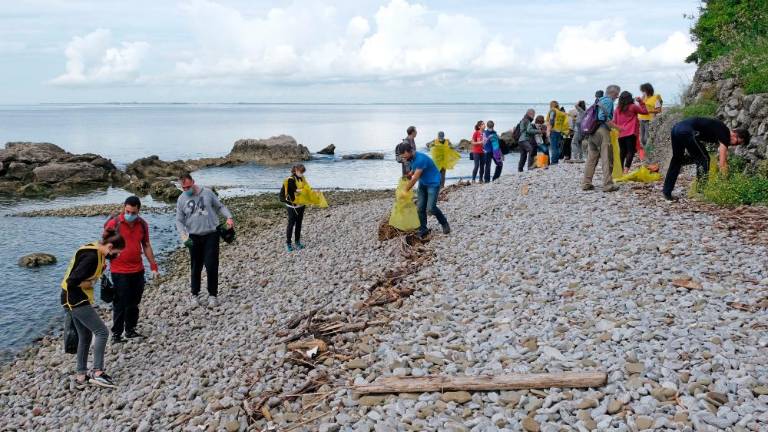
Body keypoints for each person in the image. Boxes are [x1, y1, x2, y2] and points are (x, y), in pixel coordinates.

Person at [61, 232, 126, 389]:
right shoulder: (91, 257)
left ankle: (81, 375)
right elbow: (71, 282)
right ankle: (97, 372)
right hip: (75, 298)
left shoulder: (97, 252)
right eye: (117, 253)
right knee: (102, 332)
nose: (117, 257)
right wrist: (88, 283)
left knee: (85, 334)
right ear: (110, 247)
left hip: (70, 298)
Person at [103, 196, 159, 344]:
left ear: (138, 211)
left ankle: (130, 330)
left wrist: (153, 266)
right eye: (127, 211)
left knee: (134, 301)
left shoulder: (142, 225)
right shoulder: (113, 224)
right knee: (120, 302)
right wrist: (101, 265)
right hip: (119, 270)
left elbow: (146, 245)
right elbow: (104, 246)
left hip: (137, 269)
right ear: (124, 208)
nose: (130, 214)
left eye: (133, 212)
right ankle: (116, 334)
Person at [176, 173, 234, 307]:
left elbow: (220, 207)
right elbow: (179, 220)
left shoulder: (207, 193)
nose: (186, 190)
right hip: (193, 237)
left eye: (188, 187)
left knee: (211, 265)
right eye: (183, 188)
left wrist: (229, 217)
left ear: (193, 182)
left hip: (211, 234)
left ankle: (213, 295)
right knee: (196, 267)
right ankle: (194, 295)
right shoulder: (181, 199)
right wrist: (183, 235)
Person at [663, 117, 750, 200]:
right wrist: (726, 183)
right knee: (704, 159)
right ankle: (701, 193)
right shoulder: (725, 134)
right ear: (735, 133)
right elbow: (723, 162)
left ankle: (667, 192)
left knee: (677, 159)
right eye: (737, 142)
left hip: (676, 129)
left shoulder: (720, 130)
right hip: (686, 131)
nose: (735, 145)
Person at [400, 147, 450, 239]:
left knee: (431, 208)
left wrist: (405, 190)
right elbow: (414, 169)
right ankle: (423, 229)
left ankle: (444, 223)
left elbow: (415, 178)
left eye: (404, 156)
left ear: (408, 151)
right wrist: (410, 173)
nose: (404, 158)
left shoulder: (420, 159)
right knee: (420, 208)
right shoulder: (412, 158)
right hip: (423, 183)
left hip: (433, 183)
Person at [583, 84, 621, 192]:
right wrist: (617, 128)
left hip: (592, 131)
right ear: (613, 93)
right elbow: (602, 118)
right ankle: (608, 185)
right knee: (607, 158)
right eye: (617, 95)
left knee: (591, 158)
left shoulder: (598, 100)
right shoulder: (608, 101)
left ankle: (586, 183)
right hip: (602, 131)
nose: (617, 97)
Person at [614, 91, 649, 173]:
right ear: (630, 98)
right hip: (631, 132)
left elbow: (614, 121)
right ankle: (626, 170)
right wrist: (641, 102)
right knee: (631, 151)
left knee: (622, 152)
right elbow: (645, 112)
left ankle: (620, 170)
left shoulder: (617, 109)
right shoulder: (633, 107)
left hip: (621, 133)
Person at [280, 164, 309, 251]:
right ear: (296, 171)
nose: (302, 174)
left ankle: (297, 241)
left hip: (301, 205)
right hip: (292, 205)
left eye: (303, 172)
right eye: (301, 172)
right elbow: (296, 190)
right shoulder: (290, 180)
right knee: (291, 224)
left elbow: (306, 187)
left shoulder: (302, 178)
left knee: (299, 224)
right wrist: (304, 191)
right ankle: (288, 243)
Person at [638, 83, 663, 151]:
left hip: (649, 120)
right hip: (641, 120)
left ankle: (649, 152)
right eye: (642, 91)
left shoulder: (655, 98)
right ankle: (645, 151)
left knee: (647, 138)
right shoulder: (643, 98)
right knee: (642, 139)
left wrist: (649, 111)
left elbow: (659, 110)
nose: (643, 93)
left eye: (643, 91)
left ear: (648, 90)